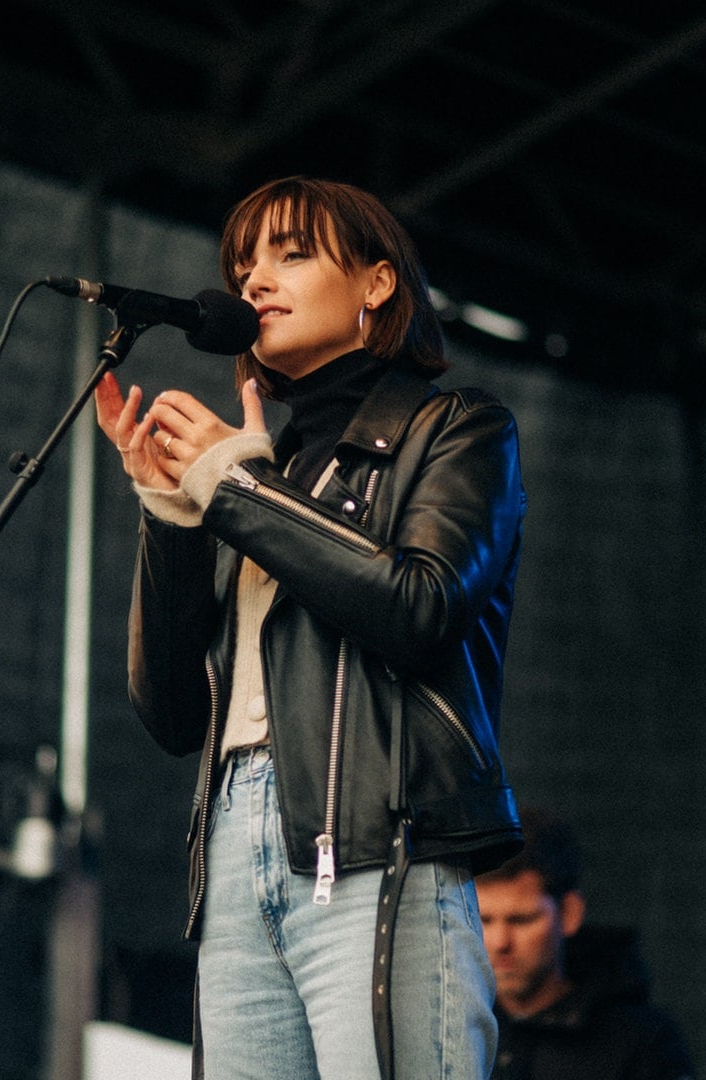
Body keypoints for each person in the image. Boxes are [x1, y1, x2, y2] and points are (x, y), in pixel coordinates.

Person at [92, 175, 527, 1080]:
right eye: (245, 263)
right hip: (233, 854)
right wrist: (172, 515)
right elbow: (174, 715)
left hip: (376, 843)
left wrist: (238, 487)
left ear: (375, 283)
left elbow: (418, 606)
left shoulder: (456, 428)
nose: (254, 280)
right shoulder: (255, 468)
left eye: (291, 254)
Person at [475, 807, 696, 1080]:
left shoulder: (643, 1042)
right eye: (483, 920)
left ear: (569, 913)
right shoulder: (448, 1027)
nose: (500, 942)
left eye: (522, 919)